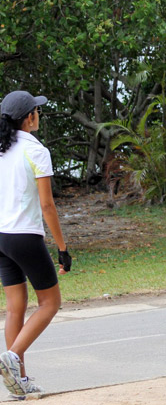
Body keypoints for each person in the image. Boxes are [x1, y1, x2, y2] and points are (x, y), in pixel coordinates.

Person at [0, 90, 72, 398]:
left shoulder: (1, 149)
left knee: (16, 307)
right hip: (25, 237)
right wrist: (62, 248)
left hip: (0, 237)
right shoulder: (36, 150)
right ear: (29, 117)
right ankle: (13, 357)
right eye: (37, 111)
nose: (38, 115)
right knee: (50, 303)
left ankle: (20, 381)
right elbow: (47, 206)